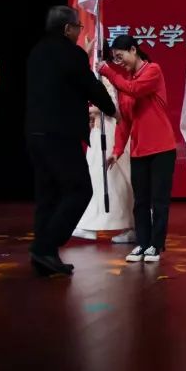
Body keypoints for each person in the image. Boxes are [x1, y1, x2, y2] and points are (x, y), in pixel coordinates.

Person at [25, 5, 116, 276]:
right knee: (80, 190)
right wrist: (111, 108)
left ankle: (45, 256)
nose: (79, 31)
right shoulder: (72, 54)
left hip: (35, 133)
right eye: (78, 26)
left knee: (48, 195)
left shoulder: (37, 51)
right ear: (67, 28)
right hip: (60, 135)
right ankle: (44, 246)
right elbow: (91, 86)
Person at [101, 35, 178, 263]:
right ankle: (142, 243)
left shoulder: (153, 70)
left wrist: (108, 72)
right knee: (140, 201)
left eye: (120, 56)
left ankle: (156, 244)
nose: (119, 62)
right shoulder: (125, 81)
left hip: (162, 148)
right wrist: (117, 150)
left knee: (159, 201)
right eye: (115, 59)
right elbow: (124, 120)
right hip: (138, 150)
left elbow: (134, 89)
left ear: (133, 50)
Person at [71, 42, 134, 242]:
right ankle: (91, 224)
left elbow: (112, 105)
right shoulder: (96, 74)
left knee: (111, 178)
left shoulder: (103, 75)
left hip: (109, 130)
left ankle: (128, 225)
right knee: (98, 177)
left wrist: (86, 111)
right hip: (99, 130)